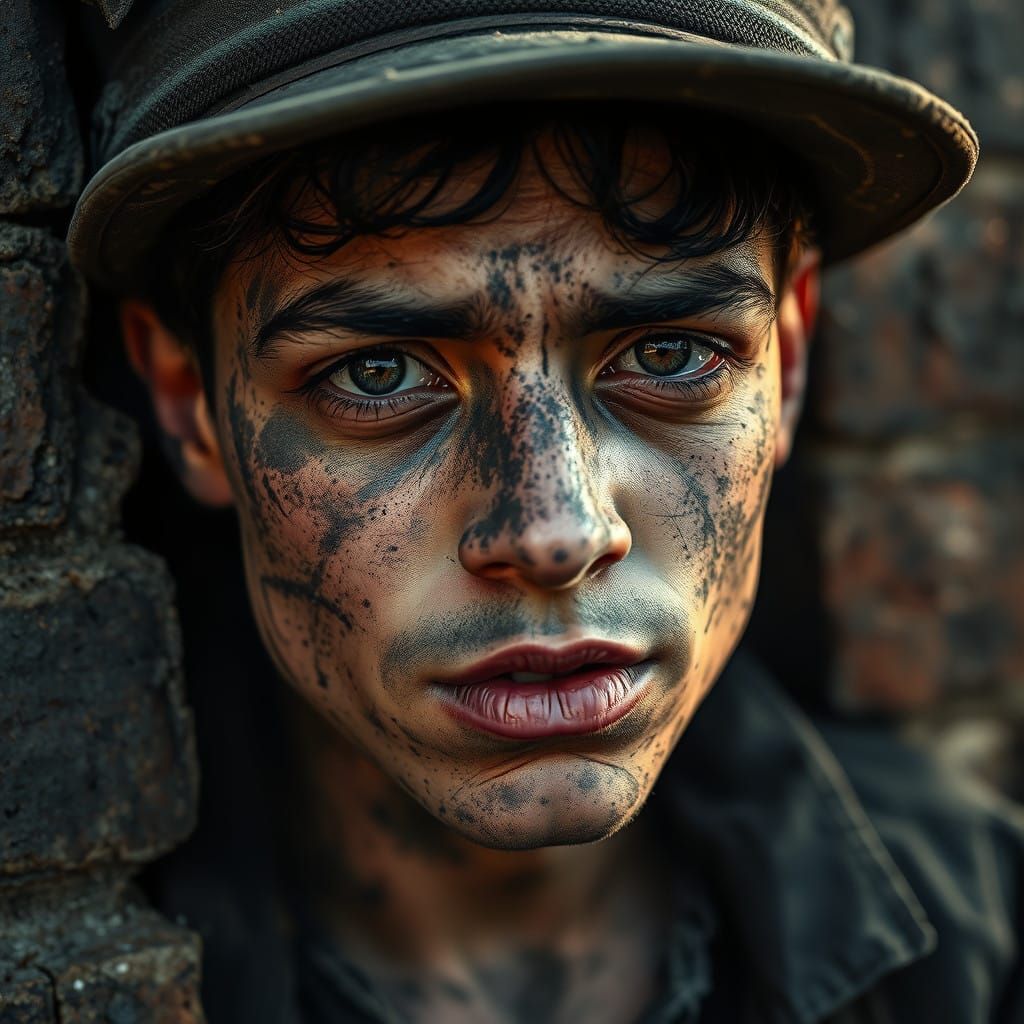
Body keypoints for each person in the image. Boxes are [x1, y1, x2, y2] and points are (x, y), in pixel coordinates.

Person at [69, 1, 1023, 1021]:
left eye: (668, 356)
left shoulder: (982, 939)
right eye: (380, 374)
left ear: (784, 363)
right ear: (189, 400)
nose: (552, 531)